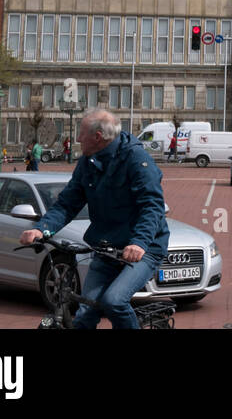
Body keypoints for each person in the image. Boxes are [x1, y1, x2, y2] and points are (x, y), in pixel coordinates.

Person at [19, 109, 168, 329]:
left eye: (81, 133)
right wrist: (42, 229)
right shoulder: (87, 163)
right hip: (106, 249)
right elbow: (67, 204)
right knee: (86, 312)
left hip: (143, 248)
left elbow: (152, 206)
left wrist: (139, 242)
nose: (77, 139)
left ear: (98, 136)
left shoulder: (136, 160)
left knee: (114, 301)